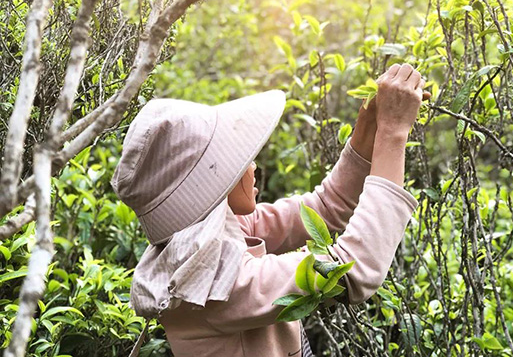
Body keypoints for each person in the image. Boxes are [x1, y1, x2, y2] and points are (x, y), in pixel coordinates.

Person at [110, 63, 429, 357]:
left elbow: (326, 207)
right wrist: (393, 134)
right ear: (213, 185)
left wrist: (368, 128)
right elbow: (351, 270)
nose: (252, 166)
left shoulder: (214, 236)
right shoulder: (215, 287)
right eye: (236, 160)